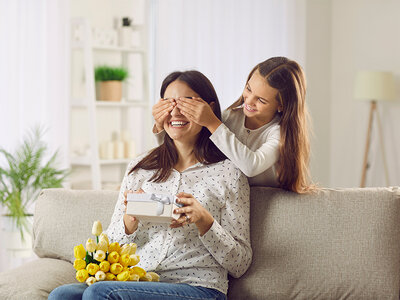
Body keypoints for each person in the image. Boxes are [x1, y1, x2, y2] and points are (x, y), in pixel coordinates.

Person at [48, 70, 252, 300]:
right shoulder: (141, 168)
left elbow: (240, 263)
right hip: (139, 280)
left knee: (99, 293)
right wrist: (128, 223)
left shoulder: (229, 173)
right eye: (168, 103)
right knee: (62, 295)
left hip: (198, 288)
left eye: (186, 103)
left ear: (208, 108)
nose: (175, 112)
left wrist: (205, 221)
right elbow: (110, 244)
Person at [152, 57, 314, 193]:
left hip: (262, 199)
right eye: (248, 89)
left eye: (261, 100)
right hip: (231, 194)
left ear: (281, 106)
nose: (248, 101)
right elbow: (186, 149)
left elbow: (251, 166)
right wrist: (161, 127)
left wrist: (211, 121)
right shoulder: (231, 117)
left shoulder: (278, 133)